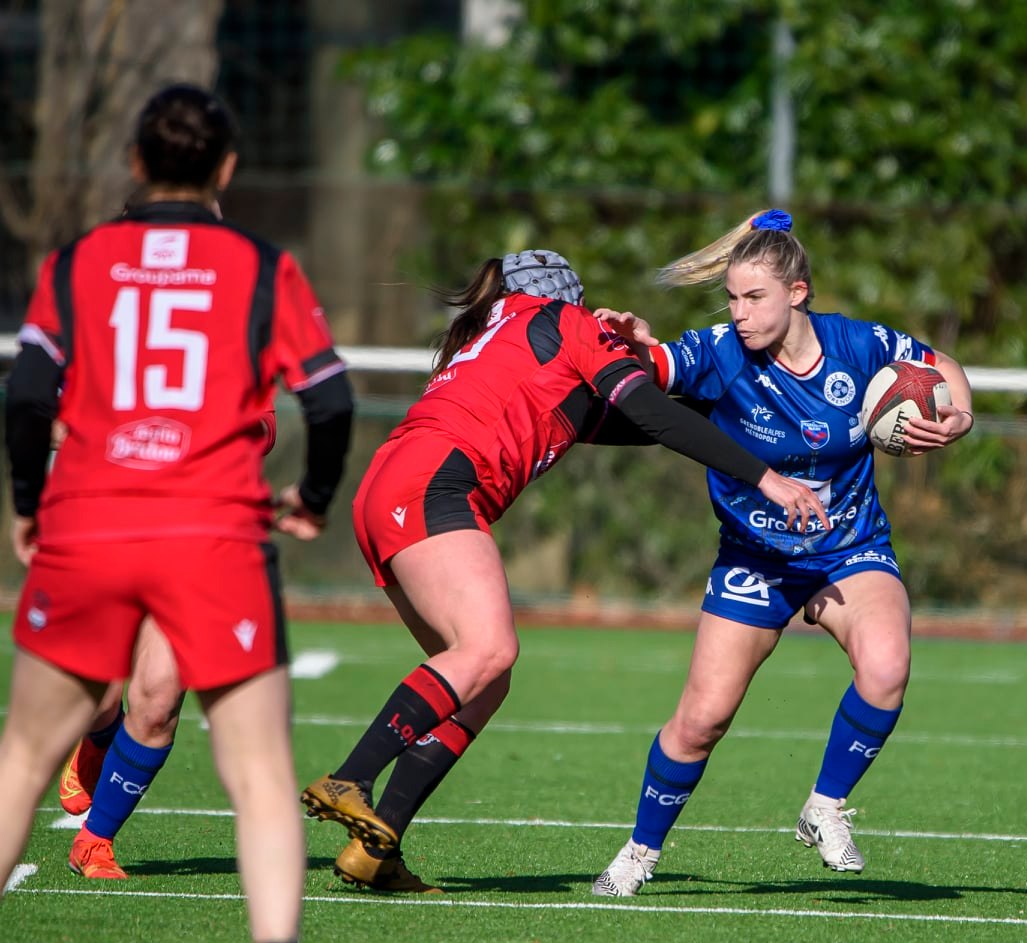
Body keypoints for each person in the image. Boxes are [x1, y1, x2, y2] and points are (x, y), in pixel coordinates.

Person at [298, 247, 831, 893]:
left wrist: (755, 416)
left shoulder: (505, 341)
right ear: (568, 296)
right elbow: (653, 413)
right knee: (489, 649)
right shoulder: (564, 321)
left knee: (484, 681)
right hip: (432, 485)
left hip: (392, 485)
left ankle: (376, 851)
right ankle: (350, 777)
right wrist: (766, 477)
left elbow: (638, 419)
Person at [0, 84, 349, 943]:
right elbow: (331, 401)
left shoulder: (78, 263)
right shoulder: (261, 267)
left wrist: (30, 504)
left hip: (89, 522)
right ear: (228, 168)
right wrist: (313, 502)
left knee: (21, 760)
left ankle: (97, 829)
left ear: (136, 164)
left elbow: (27, 395)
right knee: (261, 775)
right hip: (214, 536)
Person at [587, 208, 975, 897]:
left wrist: (960, 414)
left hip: (848, 547)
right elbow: (651, 370)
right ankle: (641, 850)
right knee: (701, 720)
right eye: (732, 297)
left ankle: (824, 806)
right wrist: (628, 343)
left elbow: (939, 365)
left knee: (886, 670)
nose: (739, 312)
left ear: (797, 292)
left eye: (754, 297)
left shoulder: (858, 346)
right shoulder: (718, 353)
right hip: (754, 559)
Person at [57, 409, 279, 880]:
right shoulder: (113, 339)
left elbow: (264, 430)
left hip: (198, 538)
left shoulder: (239, 345)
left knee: (158, 699)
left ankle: (94, 841)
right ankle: (98, 738)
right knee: (98, 698)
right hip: (108, 524)